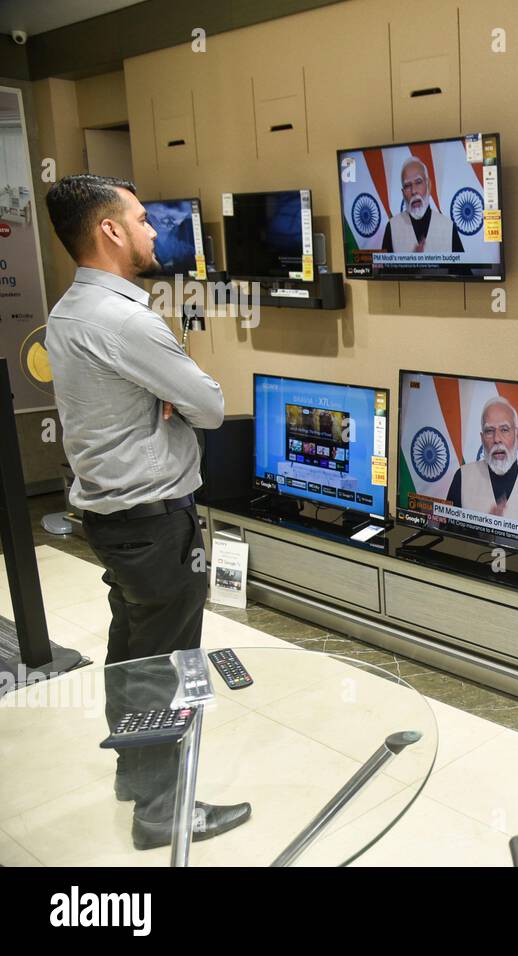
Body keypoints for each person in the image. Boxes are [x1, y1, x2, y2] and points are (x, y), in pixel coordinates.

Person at [43, 174, 251, 851]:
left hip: (112, 524)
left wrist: (164, 399)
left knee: (132, 652)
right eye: (141, 219)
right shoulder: (126, 318)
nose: (154, 230)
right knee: (166, 666)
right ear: (109, 230)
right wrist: (176, 398)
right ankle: (163, 810)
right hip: (156, 524)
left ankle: (136, 774)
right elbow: (212, 406)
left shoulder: (71, 309)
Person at [446, 396, 518, 529]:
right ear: (482, 439)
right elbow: (446, 533)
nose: (497, 439)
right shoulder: (462, 477)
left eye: (504, 429)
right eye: (489, 431)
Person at [380, 156, 461, 255]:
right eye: (407, 186)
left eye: (418, 182)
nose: (414, 191)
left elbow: (462, 270)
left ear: (428, 186)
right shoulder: (392, 228)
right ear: (403, 193)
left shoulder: (448, 227)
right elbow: (384, 269)